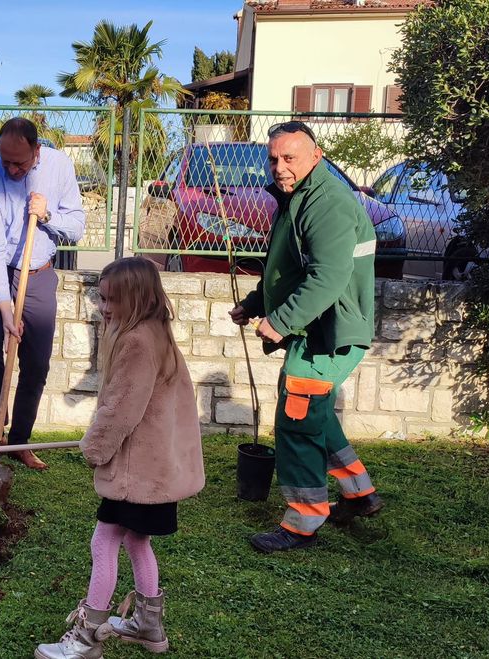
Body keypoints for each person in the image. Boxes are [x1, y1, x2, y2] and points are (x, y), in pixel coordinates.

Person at [36, 257, 205, 659]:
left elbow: (121, 408)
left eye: (113, 300)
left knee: (105, 539)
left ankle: (88, 635)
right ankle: (148, 625)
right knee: (135, 538)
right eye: (102, 298)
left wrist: (96, 446)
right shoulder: (156, 333)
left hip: (137, 471)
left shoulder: (136, 342)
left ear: (137, 298)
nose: (104, 307)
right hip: (153, 468)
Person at [230, 121, 383, 553]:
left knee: (296, 419)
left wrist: (280, 321)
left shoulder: (327, 202)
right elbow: (290, 268)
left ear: (316, 155)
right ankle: (359, 494)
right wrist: (257, 303)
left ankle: (302, 522)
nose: (279, 167)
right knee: (312, 412)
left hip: (330, 331)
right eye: (274, 158)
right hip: (315, 329)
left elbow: (328, 277)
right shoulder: (296, 197)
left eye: (289, 157)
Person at [0, 117, 86, 470]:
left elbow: (78, 227)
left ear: (37, 151)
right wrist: (5, 310)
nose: (11, 168)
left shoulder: (59, 166)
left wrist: (47, 214)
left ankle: (20, 440)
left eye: (19, 162)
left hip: (38, 273)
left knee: (36, 361)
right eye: (5, 160)